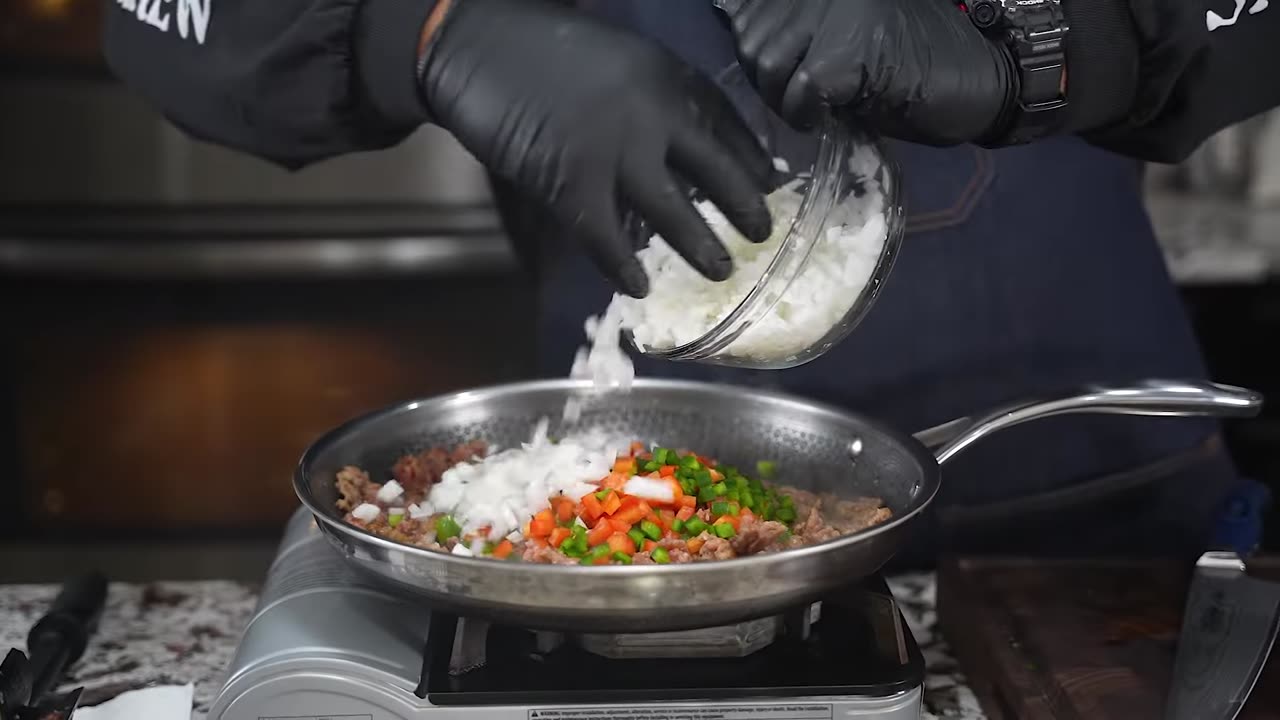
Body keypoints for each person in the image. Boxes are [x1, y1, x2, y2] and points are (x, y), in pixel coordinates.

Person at [102, 0, 1277, 565]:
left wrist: (1055, 38)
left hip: (1098, 524)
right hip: (625, 545)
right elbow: (160, 19)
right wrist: (424, 33)